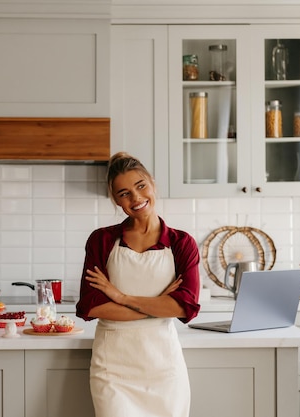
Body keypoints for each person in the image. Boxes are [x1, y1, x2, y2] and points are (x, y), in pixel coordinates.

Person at [76, 152, 201, 417]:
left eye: (140, 186)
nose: (136, 198)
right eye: (124, 193)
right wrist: (159, 304)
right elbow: (92, 306)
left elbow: (185, 307)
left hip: (164, 366)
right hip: (113, 367)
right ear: (116, 200)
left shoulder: (181, 243)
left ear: (153, 184)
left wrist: (120, 297)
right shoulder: (101, 240)